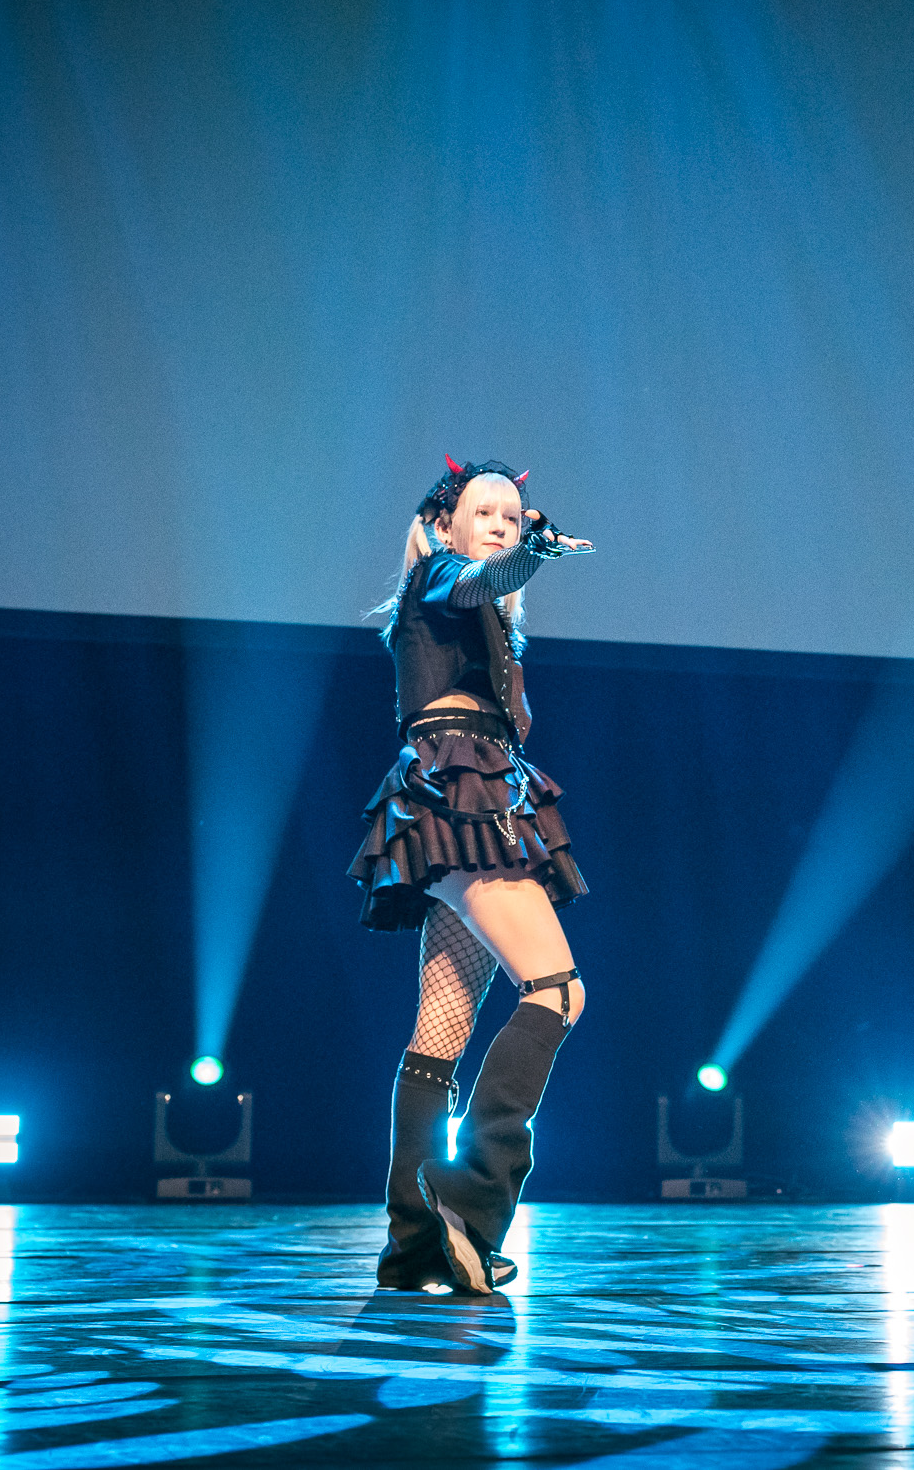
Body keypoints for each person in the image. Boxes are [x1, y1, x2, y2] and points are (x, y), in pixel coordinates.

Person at [350, 459, 593, 1294]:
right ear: (445, 524)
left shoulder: (482, 613)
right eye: (485, 510)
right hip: (463, 792)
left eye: (513, 515)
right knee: (558, 990)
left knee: (440, 1031)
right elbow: (484, 576)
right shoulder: (441, 576)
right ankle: (473, 1195)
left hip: (464, 790)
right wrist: (534, 555)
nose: (500, 523)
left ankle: (414, 1243)